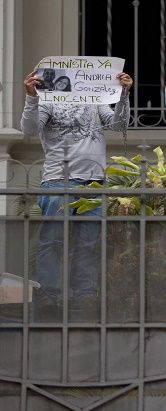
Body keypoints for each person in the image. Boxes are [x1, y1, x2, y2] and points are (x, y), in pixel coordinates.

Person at [20, 68, 133, 319]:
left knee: (88, 244)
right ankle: (50, 298)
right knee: (52, 242)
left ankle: (84, 298)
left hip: (94, 183)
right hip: (58, 181)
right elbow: (29, 129)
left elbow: (119, 124)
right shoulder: (48, 101)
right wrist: (31, 96)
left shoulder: (94, 101)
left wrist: (124, 94)